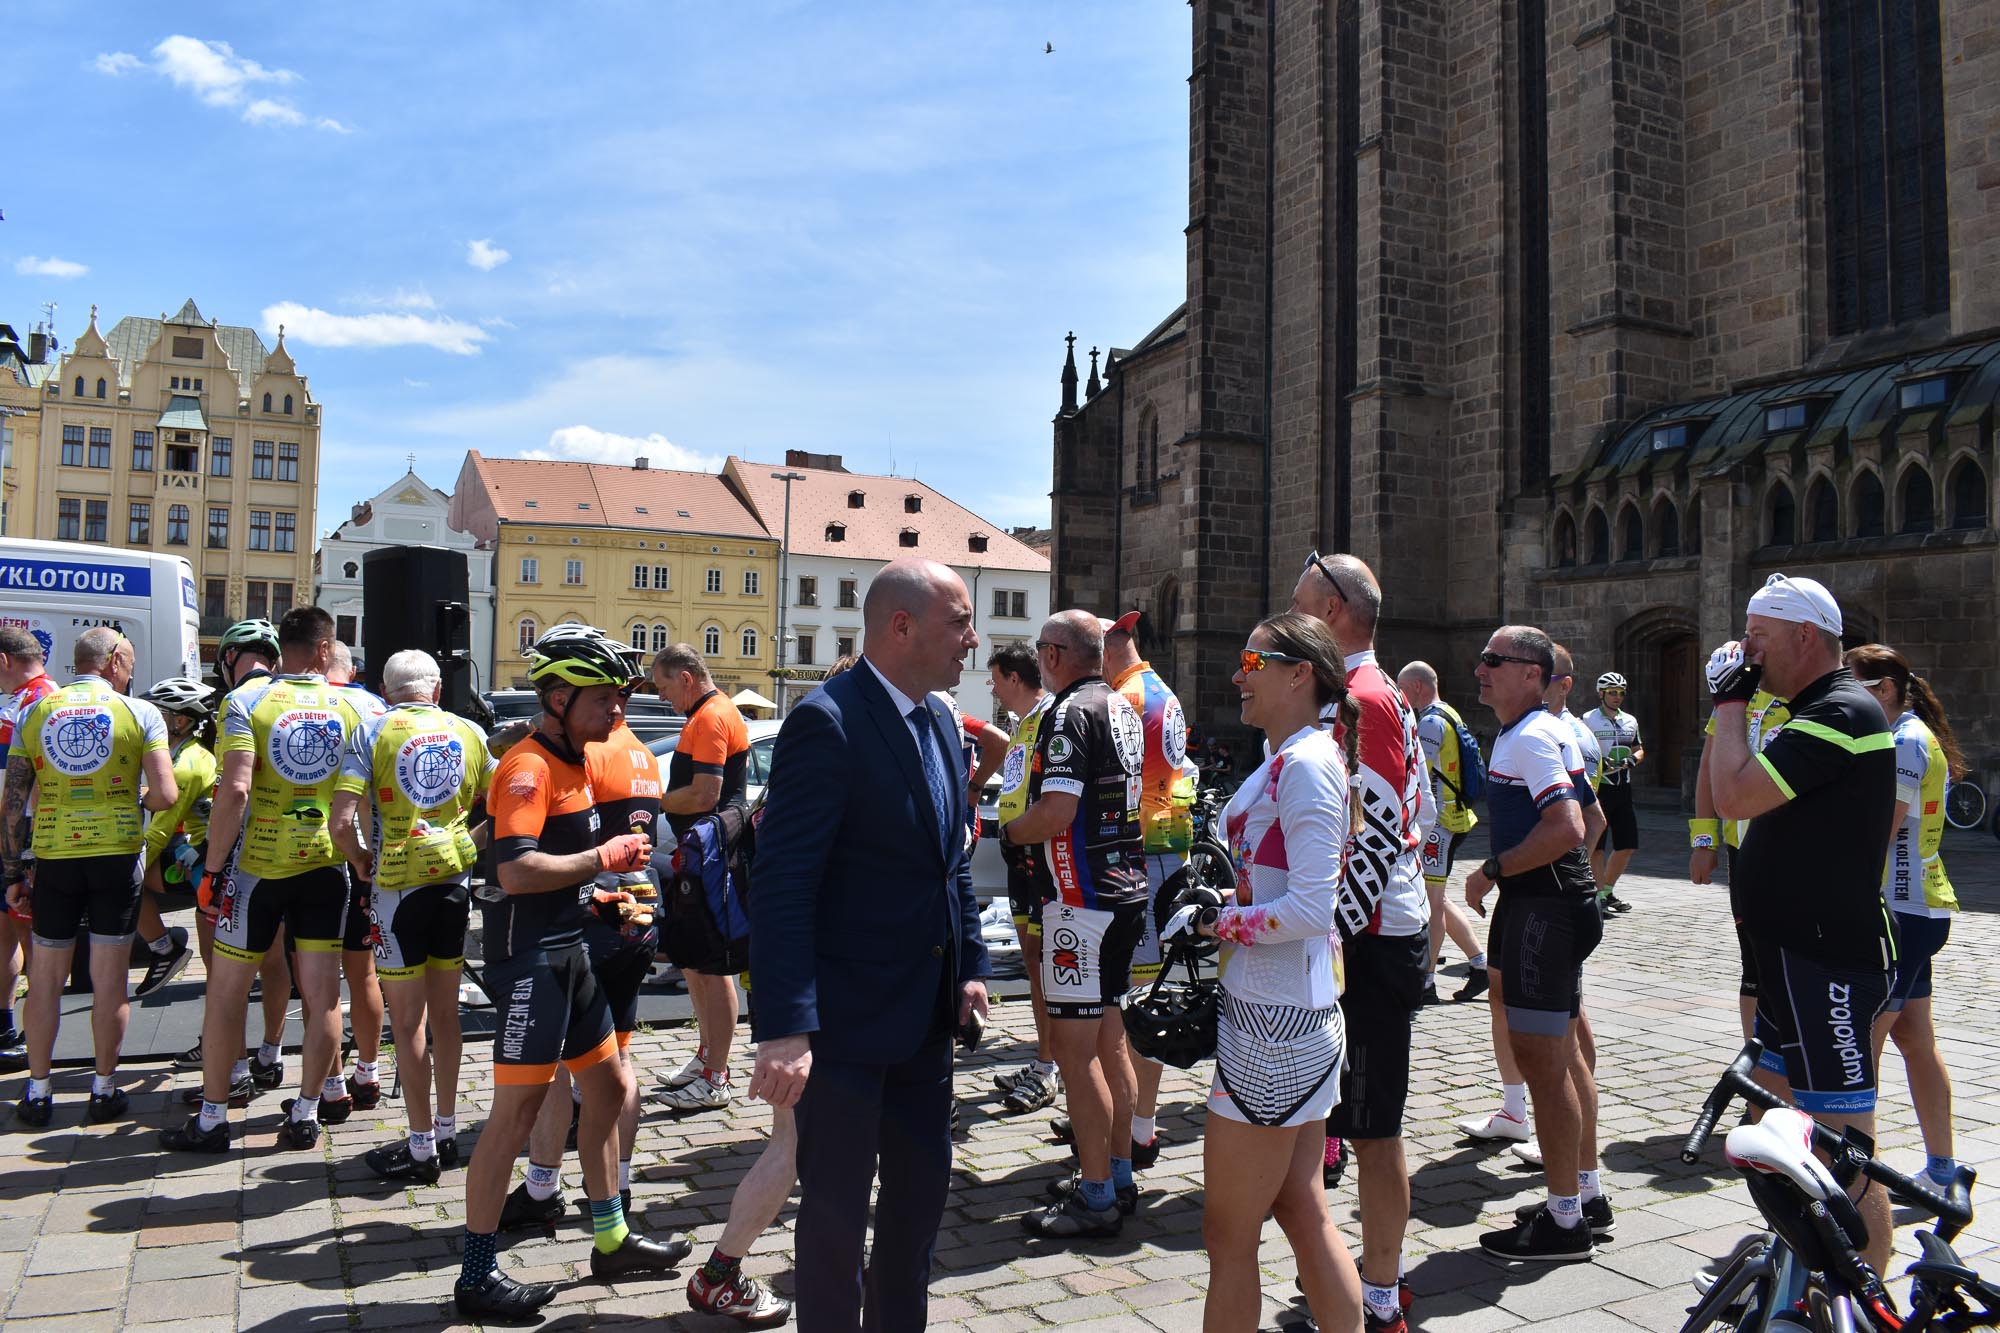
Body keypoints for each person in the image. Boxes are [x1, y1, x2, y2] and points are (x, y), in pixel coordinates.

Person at [748, 557, 989, 1330]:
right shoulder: (829, 721)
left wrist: (971, 968)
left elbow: (947, 859)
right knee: (835, 1217)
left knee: (918, 1207)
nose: (973, 640)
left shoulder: (942, 720)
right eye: (959, 622)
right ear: (902, 626)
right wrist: (784, 1024)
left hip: (925, 1017)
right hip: (844, 1027)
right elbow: (784, 883)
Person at [454, 623, 689, 1319]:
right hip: (529, 961)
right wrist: (603, 860)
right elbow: (516, 867)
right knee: (516, 1114)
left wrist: (604, 899)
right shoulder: (527, 768)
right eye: (604, 700)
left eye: (620, 698)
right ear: (557, 697)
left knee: (611, 1086)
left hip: (571, 948)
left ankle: (611, 1235)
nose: (617, 712)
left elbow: (561, 870)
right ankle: (475, 1272)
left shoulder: (576, 760)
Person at [1175, 612, 1368, 1333]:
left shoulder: (1309, 763)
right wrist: (1229, 899)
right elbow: (1284, 888)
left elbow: (1314, 907)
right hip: (1287, 1010)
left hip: (1275, 1024)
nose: (1236, 677)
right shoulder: (1294, 755)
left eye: (1252, 664)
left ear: (1299, 674)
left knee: (1229, 1236)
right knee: (1299, 1206)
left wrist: (1213, 921)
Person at [1705, 573, 1898, 1275]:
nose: (1745, 648)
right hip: (1792, 958)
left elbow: (1734, 794)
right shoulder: (1812, 708)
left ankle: (1868, 1293)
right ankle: (1803, 1267)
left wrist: (1729, 702)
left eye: (1757, 635)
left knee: (1846, 1146)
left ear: (1804, 636)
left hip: (1828, 964)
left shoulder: (1839, 711)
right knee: (1785, 1130)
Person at [160, 608, 362, 1153]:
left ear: (282, 650)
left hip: (258, 869)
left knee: (226, 993)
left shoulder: (246, 701)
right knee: (322, 996)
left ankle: (212, 1119)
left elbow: (236, 791)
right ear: (326, 650)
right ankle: (305, 1113)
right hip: (325, 866)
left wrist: (214, 868)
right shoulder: (355, 705)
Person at [1290, 552, 1429, 1327]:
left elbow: (1375, 840)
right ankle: (1355, 1279)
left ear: (1336, 610)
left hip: (1371, 938)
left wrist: (1323, 936)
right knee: (1354, 1124)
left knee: (1375, 1130)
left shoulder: (1365, 698)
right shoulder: (1362, 693)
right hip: (1370, 932)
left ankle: (1380, 1297)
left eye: (1302, 603)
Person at [1001, 609, 1147, 1239]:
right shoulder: (1119, 704)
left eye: (1039, 650)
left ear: (1056, 655)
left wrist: (1007, 834)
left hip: (1078, 901)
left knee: (1073, 1050)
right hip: (1125, 889)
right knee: (1110, 1037)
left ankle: (1095, 1195)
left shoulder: (1066, 714)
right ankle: (1116, 1170)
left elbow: (1057, 810)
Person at [1464, 625, 1608, 1261]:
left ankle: (1564, 1221)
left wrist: (1493, 870)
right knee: (1564, 1051)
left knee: (1543, 1064)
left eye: (1494, 661)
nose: (1480, 670)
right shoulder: (1537, 731)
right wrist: (1584, 890)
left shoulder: (1531, 736)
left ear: (1532, 672)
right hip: (1554, 903)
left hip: (1540, 910)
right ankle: (1583, 1191)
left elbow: (1571, 824)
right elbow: (1595, 819)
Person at [329, 649, 493, 1185]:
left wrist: (360, 863)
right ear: (438, 690)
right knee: (447, 1018)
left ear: (384, 689)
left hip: (395, 893)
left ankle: (421, 1146)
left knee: (408, 1023)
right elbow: (504, 805)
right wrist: (467, 845)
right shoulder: (468, 731)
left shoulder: (372, 730)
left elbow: (340, 821)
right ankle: (447, 1130)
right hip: (451, 888)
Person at [0, 628, 177, 1125]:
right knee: (109, 982)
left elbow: (13, 802)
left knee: (46, 981)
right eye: (130, 663)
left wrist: (14, 870)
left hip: (55, 856)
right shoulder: (140, 712)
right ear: (115, 660)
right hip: (116, 857)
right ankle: (103, 1089)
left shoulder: (36, 711)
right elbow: (164, 795)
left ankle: (37, 1092)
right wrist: (136, 797)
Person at [507, 681, 666, 1227]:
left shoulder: (588, 751)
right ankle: (617, 1191)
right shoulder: (643, 752)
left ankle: (541, 1185)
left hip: (593, 910)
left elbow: (553, 839)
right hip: (640, 905)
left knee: (554, 1065)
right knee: (617, 1062)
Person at [1845, 643, 1964, 1191]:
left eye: (1851, 683)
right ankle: (1942, 1171)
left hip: (1902, 912)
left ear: (1884, 690)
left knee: (1857, 1046)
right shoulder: (1911, 735)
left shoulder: (1905, 742)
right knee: (1915, 1039)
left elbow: (1878, 834)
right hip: (1918, 908)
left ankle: (1850, 1181)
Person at [174, 617, 294, 1102]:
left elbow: (235, 789)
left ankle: (233, 1073)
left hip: (248, 859)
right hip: (298, 855)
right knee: (278, 961)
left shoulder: (236, 703)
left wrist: (213, 868)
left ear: (228, 660)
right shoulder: (293, 698)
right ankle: (271, 1053)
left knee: (228, 974)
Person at [1105, 610, 1199, 1167]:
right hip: (1170, 846)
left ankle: (1136, 1126)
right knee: (1147, 990)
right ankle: (1137, 1120)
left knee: (1137, 997)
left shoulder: (1126, 699)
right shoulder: (1157, 686)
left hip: (1141, 852)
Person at [652, 643, 753, 1114]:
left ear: (687, 678)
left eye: (664, 686)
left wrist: (651, 799)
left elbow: (704, 793)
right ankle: (707, 1058)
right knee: (696, 962)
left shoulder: (712, 716)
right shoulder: (708, 713)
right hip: (701, 852)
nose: (662, 697)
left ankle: (717, 1076)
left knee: (713, 967)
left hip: (713, 854)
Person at [986, 641, 1062, 1116]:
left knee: (1045, 964)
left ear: (1015, 678)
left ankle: (1051, 1064)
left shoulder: (1052, 716)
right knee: (1033, 962)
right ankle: (1044, 1058)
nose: (992, 688)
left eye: (995, 679)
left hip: (1041, 858)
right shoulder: (1023, 723)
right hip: (1020, 858)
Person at [1690, 685, 1790, 1040]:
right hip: (1742, 850)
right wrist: (1704, 841)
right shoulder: (1734, 700)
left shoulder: (1804, 694)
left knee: (1791, 962)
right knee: (1753, 963)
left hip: (1791, 853)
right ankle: (1754, 1059)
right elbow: (1707, 767)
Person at [1397, 661, 1487, 1005]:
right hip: (1451, 819)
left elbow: (1416, 774)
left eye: (1404, 689)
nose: (1401, 697)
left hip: (1440, 825)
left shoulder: (1430, 723)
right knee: (1439, 896)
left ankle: (1426, 982)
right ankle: (1479, 965)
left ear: (1418, 687)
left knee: (1433, 903)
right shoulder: (1448, 712)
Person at [327, 641, 390, 1114]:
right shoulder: (373, 708)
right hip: (361, 858)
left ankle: (330, 1084)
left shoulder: (282, 698)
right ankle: (368, 1072)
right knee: (363, 972)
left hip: (309, 857)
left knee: (319, 979)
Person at [132, 678, 217, 998]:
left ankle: (164, 950)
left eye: (158, 713)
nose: (152, 719)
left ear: (180, 720)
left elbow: (159, 832)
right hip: (203, 852)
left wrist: (130, 870)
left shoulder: (184, 765)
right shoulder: (192, 751)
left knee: (127, 883)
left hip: (202, 861)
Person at [0, 625, 60, 1071]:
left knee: (34, 944)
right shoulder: (20, 700)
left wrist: (24, 853)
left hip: (24, 841)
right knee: (5, 936)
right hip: (12, 837)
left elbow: (34, 785)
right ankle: (6, 1026)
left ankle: (33, 1040)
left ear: (4, 661)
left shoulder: (41, 700)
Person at [1581, 673, 1643, 915]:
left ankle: (1607, 890)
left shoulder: (1630, 721)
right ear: (1601, 694)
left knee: (1628, 844)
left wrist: (1633, 759)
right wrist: (1598, 763)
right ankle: (1597, 895)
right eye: (1612, 692)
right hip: (1600, 788)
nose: (1617, 697)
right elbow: (1580, 749)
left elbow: (1639, 749)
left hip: (1622, 788)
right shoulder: (1588, 720)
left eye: (1620, 693)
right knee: (1597, 846)